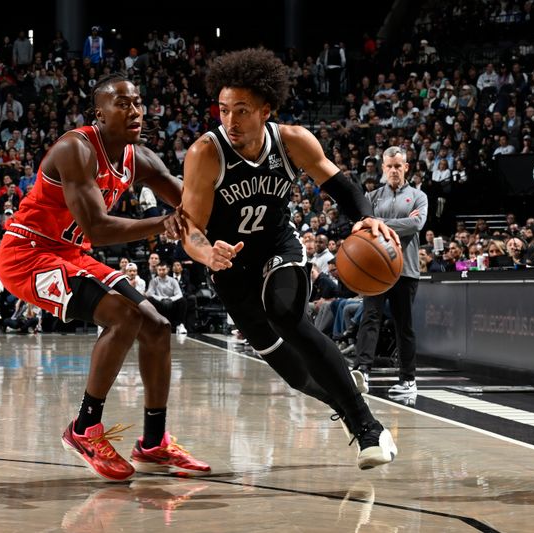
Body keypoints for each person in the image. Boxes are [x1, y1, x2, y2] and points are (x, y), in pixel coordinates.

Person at [179, 48, 399, 469]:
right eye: (223, 110)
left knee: (283, 311)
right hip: (229, 267)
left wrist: (366, 219)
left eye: (241, 111)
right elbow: (190, 229)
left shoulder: (292, 140)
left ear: (266, 110)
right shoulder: (205, 153)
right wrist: (207, 252)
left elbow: (341, 185)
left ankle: (367, 427)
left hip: (279, 246)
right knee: (296, 374)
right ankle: (344, 387)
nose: (230, 121)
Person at [0, 73, 210, 481]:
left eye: (138, 102)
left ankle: (153, 443)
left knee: (159, 327)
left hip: (69, 253)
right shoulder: (74, 149)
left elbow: (190, 199)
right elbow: (97, 228)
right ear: (99, 114)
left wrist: (240, 215)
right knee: (122, 317)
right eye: (123, 103)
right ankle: (84, 428)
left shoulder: (139, 157)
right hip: (27, 254)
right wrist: (162, 223)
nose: (135, 110)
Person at [350, 147, 428, 398]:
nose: (394, 170)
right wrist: (398, 224)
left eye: (398, 166)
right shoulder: (371, 196)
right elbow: (362, 228)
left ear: (406, 167)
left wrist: (378, 223)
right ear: (383, 168)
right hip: (375, 270)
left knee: (403, 325)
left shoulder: (419, 196)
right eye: (389, 166)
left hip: (406, 269)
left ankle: (408, 380)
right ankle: (363, 371)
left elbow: (416, 224)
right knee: (369, 317)